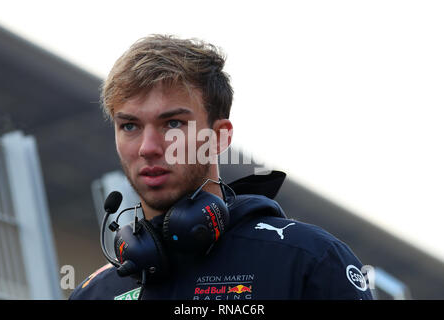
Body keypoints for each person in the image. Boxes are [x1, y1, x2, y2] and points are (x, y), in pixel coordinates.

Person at [69, 35, 373, 300]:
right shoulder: (95, 292)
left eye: (173, 124)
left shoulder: (307, 259)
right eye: (130, 126)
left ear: (219, 136)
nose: (148, 147)